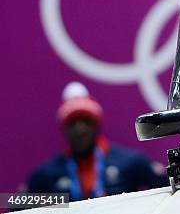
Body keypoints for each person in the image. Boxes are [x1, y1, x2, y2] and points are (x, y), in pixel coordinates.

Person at [24, 82, 167, 199]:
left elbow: (168, 187)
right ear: (64, 129)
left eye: (86, 121)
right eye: (72, 123)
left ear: (97, 125)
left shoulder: (130, 162)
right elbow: (12, 205)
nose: (80, 129)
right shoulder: (46, 174)